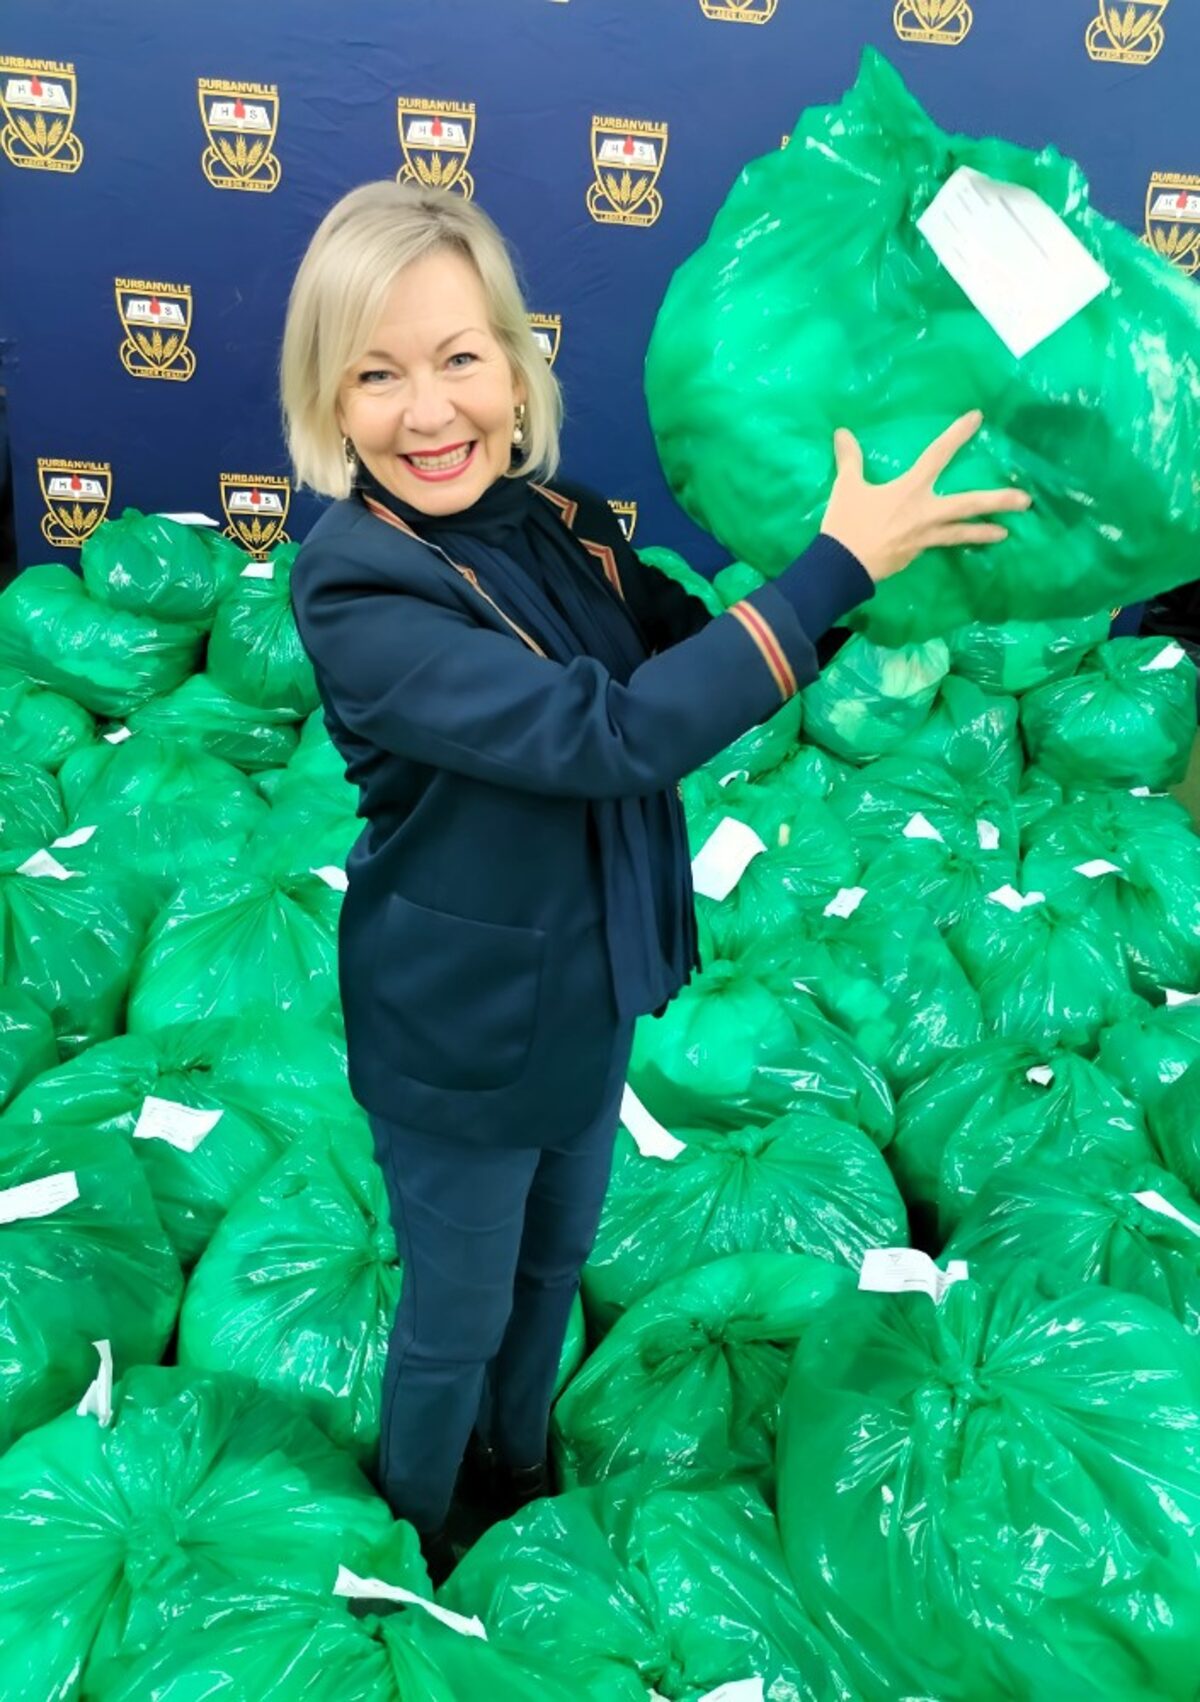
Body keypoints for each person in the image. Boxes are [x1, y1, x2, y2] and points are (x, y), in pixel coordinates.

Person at [280, 179, 1030, 1580]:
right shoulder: (356, 587)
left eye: (459, 357)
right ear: (327, 398)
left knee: (553, 1267)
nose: (428, 410)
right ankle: (417, 1534)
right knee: (454, 1314)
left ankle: (517, 1468)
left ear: (517, 369)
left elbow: (685, 642)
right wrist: (828, 574)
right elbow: (609, 733)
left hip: (587, 987)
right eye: (376, 374)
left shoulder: (556, 516)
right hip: (458, 1036)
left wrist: (855, 567)